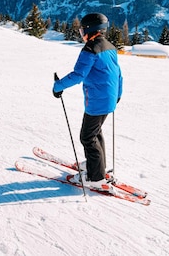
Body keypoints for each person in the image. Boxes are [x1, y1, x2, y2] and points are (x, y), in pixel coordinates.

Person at [52, 12, 123, 192]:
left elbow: (78, 75)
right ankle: (96, 165)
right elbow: (119, 74)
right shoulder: (110, 46)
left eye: (82, 29)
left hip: (97, 100)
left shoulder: (90, 49)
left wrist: (58, 86)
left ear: (90, 30)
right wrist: (118, 94)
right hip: (109, 98)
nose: (81, 33)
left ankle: (95, 177)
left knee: (87, 136)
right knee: (95, 132)